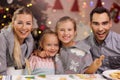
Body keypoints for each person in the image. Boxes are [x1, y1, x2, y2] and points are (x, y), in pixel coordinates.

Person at [38, 16, 104, 74]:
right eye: (62, 30)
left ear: (75, 32)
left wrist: (93, 67)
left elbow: (86, 73)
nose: (66, 33)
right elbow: (41, 51)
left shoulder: (84, 50)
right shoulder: (55, 47)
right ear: (57, 32)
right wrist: (39, 52)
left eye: (69, 30)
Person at [84, 7, 120, 73]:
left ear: (110, 24)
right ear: (90, 25)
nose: (100, 29)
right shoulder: (86, 44)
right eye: (96, 24)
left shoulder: (118, 41)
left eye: (104, 23)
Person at [0, 7, 34, 75]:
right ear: (13, 23)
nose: (24, 27)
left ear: (32, 25)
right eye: (20, 23)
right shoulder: (2, 38)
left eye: (28, 23)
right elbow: (1, 68)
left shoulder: (30, 40)